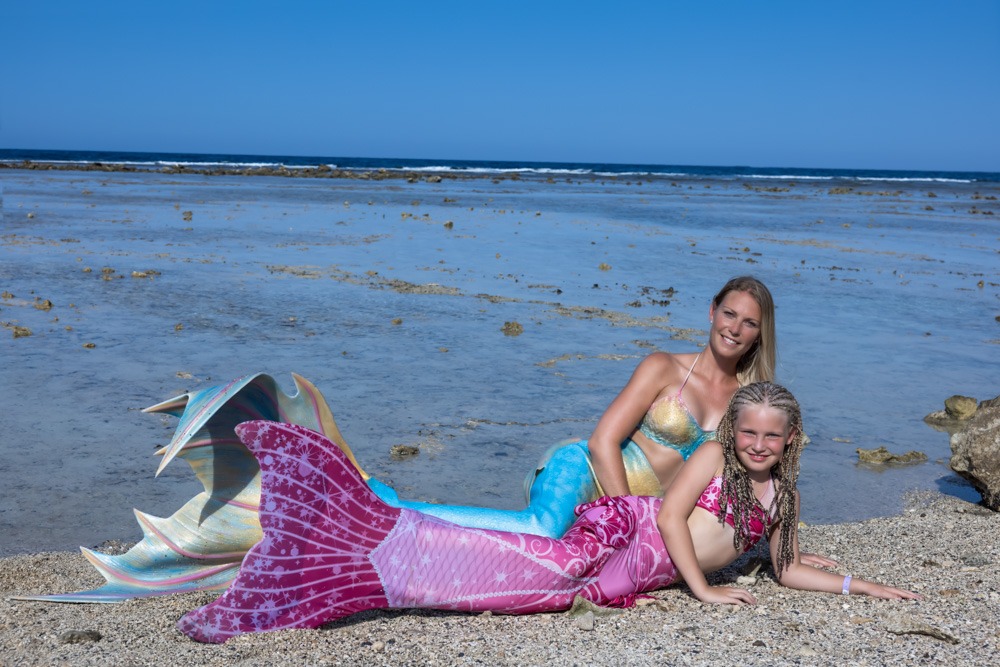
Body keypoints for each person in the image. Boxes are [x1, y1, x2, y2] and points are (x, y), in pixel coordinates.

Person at [177, 382, 921, 644]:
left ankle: (365, 554)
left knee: (545, 585)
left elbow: (787, 565)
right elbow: (666, 521)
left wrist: (862, 587)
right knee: (546, 572)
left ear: (791, 441)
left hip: (645, 566)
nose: (756, 445)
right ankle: (373, 537)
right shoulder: (713, 460)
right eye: (747, 431)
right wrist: (704, 590)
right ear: (736, 434)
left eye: (770, 436)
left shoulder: (784, 491)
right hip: (628, 531)